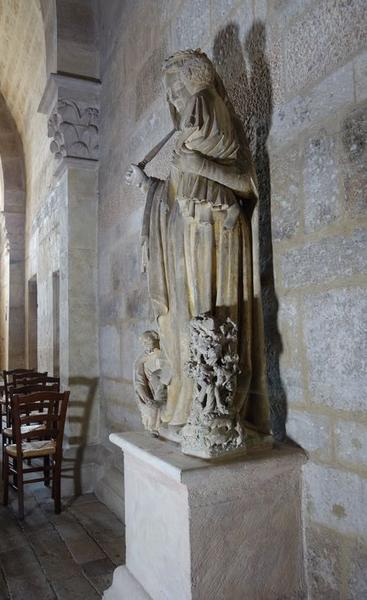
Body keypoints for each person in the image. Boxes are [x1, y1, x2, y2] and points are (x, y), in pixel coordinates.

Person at [126, 49, 269, 435]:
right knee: (183, 323)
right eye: (170, 93)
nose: (173, 100)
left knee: (209, 320)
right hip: (184, 238)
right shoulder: (191, 134)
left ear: (198, 85)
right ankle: (188, 404)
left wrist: (200, 165)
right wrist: (149, 186)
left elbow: (248, 185)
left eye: (176, 90)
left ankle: (214, 411)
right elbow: (175, 191)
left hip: (213, 235)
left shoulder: (215, 116)